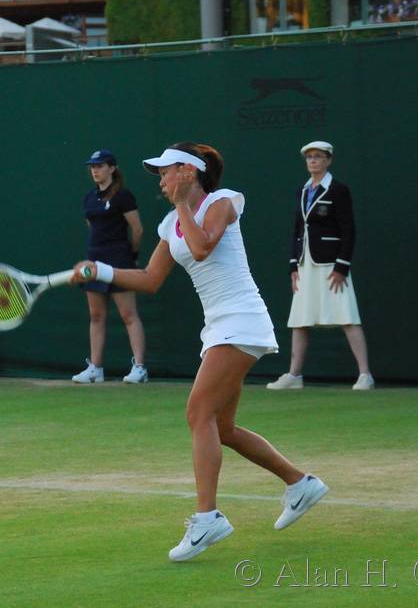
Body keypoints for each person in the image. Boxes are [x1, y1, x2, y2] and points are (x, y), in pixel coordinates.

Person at [72, 142, 328, 562]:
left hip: (241, 320)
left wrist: (182, 206)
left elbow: (203, 246)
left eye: (166, 172)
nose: (161, 180)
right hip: (218, 328)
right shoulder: (170, 222)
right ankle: (300, 484)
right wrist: (100, 270)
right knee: (221, 427)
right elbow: (150, 279)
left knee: (197, 413)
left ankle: (208, 518)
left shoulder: (222, 202)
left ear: (189, 172)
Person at [267, 141, 374, 391]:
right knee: (300, 320)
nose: (313, 161)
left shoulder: (338, 190)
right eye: (309, 157)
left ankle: (365, 374)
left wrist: (342, 266)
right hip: (305, 264)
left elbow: (348, 229)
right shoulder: (303, 191)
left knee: (347, 316)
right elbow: (297, 230)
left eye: (317, 156)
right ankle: (294, 375)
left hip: (331, 264)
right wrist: (294, 266)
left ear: (328, 160)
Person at [71, 149, 148, 384]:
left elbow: (137, 229)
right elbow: (93, 227)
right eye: (92, 167)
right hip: (94, 261)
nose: (95, 170)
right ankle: (95, 368)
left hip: (119, 260)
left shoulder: (123, 196)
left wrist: (131, 256)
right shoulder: (89, 198)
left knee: (128, 315)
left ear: (112, 168)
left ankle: (140, 368)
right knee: (96, 315)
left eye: (100, 166)